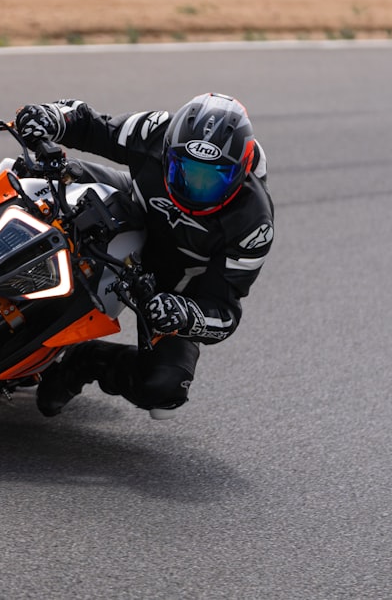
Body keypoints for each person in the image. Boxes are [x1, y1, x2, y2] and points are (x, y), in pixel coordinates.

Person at [14, 93, 274, 419]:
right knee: (30, 175)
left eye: (212, 179)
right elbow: (92, 124)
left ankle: (86, 360)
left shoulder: (253, 223)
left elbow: (225, 312)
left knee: (163, 388)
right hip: (128, 209)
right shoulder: (156, 131)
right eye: (186, 171)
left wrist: (186, 314)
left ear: (240, 172)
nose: (195, 186)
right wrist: (51, 116)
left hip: (170, 286)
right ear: (168, 152)